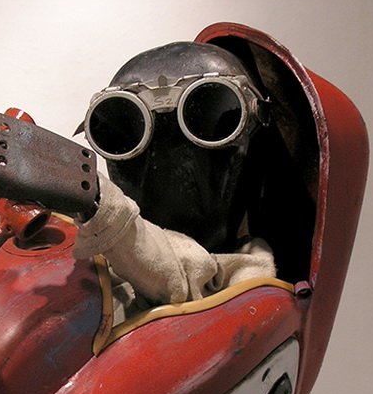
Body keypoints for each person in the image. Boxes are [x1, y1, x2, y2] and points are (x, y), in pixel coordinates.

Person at [72, 41, 276, 318]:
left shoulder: (252, 288)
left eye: (207, 122)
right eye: (125, 131)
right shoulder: (83, 267)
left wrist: (98, 207)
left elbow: (181, 275)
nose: (166, 153)